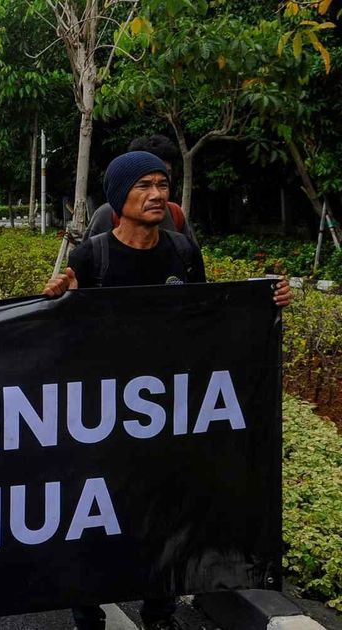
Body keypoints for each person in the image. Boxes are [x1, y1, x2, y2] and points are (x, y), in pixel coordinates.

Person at [43, 151, 291, 630]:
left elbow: (206, 318)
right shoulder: (92, 255)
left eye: (163, 184)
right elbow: (66, 339)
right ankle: (87, 609)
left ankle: (159, 611)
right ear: (119, 197)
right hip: (104, 414)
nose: (157, 194)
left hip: (166, 413)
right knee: (97, 516)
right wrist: (60, 300)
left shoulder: (181, 250)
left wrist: (266, 300)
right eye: (144, 186)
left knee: (163, 514)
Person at [86, 135, 196, 244]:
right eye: (145, 183)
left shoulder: (175, 214)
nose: (156, 193)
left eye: (166, 175)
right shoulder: (107, 215)